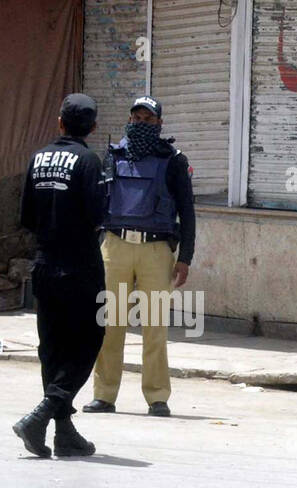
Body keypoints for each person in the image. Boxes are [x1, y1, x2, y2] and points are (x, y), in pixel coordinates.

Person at [84, 95, 196, 418]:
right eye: (136, 119)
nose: (141, 124)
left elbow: (187, 213)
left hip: (156, 250)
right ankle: (104, 395)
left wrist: (185, 257)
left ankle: (157, 397)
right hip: (115, 245)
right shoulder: (113, 155)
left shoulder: (173, 161)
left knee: (154, 327)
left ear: (159, 124)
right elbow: (98, 202)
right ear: (129, 120)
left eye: (148, 120)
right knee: (110, 324)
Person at [12, 93, 107, 458]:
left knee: (52, 349)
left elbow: (26, 217)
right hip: (81, 267)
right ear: (93, 127)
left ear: (59, 122)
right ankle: (43, 415)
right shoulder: (88, 161)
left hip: (45, 265)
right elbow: (98, 215)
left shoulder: (38, 159)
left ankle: (64, 433)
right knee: (88, 341)